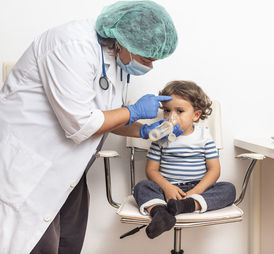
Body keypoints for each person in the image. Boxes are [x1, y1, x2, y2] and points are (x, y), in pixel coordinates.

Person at [0, 1, 181, 253]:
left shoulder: (115, 56)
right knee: (38, 245)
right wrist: (132, 111)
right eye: (147, 58)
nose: (149, 66)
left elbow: (108, 117)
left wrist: (143, 130)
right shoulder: (71, 45)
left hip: (71, 171)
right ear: (126, 42)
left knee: (69, 245)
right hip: (32, 170)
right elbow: (81, 124)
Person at [133, 80, 236, 239]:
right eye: (167, 110)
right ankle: (161, 213)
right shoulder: (161, 137)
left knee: (229, 189)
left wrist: (195, 192)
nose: (171, 116)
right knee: (141, 187)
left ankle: (185, 205)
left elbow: (214, 170)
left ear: (196, 115)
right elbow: (151, 170)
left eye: (179, 111)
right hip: (166, 189)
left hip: (197, 188)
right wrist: (167, 187)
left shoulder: (203, 136)